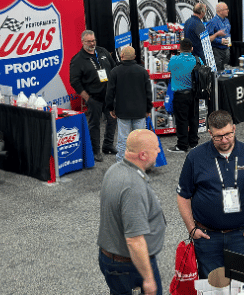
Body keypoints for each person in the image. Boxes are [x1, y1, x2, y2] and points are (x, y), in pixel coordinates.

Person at [176, 110, 244, 278]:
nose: (225, 140)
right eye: (218, 136)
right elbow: (183, 195)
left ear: (234, 128)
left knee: (239, 284)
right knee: (211, 285)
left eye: (228, 134)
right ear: (209, 132)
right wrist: (191, 229)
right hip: (207, 236)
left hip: (240, 235)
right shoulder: (195, 158)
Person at [98, 129, 165, 295]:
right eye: (156, 148)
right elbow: (134, 241)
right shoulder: (133, 187)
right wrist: (148, 279)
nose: (159, 151)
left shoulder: (114, 170)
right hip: (129, 266)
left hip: (112, 259)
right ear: (143, 155)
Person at [69, 30, 117, 160]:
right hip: (93, 98)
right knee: (95, 125)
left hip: (109, 96)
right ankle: (95, 151)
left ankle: (108, 145)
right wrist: (87, 98)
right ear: (83, 42)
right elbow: (74, 82)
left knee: (112, 120)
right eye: (89, 41)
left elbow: (114, 68)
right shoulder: (78, 60)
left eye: (93, 40)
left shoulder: (102, 51)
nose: (92, 43)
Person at [106, 46, 152, 164]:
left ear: (121, 56)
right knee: (140, 140)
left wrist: (110, 108)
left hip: (122, 111)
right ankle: (140, 164)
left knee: (123, 140)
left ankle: (121, 164)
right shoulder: (142, 71)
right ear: (135, 57)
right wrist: (148, 109)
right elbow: (148, 92)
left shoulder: (114, 72)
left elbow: (110, 92)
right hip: (140, 111)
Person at [168, 39, 199, 153]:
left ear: (179, 48)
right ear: (191, 49)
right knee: (193, 118)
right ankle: (193, 142)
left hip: (180, 95)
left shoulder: (173, 59)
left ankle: (182, 145)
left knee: (181, 120)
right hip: (194, 94)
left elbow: (169, 70)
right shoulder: (197, 60)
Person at [208, 2, 232, 70]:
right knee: (218, 71)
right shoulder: (212, 22)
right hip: (217, 51)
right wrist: (219, 41)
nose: (228, 11)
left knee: (225, 70)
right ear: (220, 11)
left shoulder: (226, 20)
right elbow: (208, 38)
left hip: (226, 49)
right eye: (226, 9)